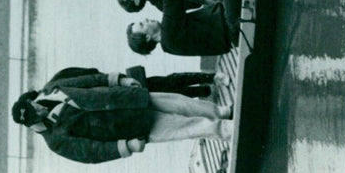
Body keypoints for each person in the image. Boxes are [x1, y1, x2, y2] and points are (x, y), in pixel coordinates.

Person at [11, 69, 232, 163]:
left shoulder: (54, 87)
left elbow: (91, 80)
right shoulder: (55, 141)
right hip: (130, 128)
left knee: (180, 103)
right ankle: (225, 130)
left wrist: (121, 80)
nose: (39, 112)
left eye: (35, 108)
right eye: (34, 117)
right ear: (32, 124)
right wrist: (126, 147)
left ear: (31, 102)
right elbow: (92, 153)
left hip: (127, 98)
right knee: (184, 128)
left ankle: (221, 112)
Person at [45, 65, 222, 99]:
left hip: (121, 91)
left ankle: (205, 88)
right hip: (120, 87)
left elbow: (88, 73)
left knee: (168, 90)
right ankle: (205, 87)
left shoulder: (56, 84)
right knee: (168, 85)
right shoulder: (56, 81)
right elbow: (88, 72)